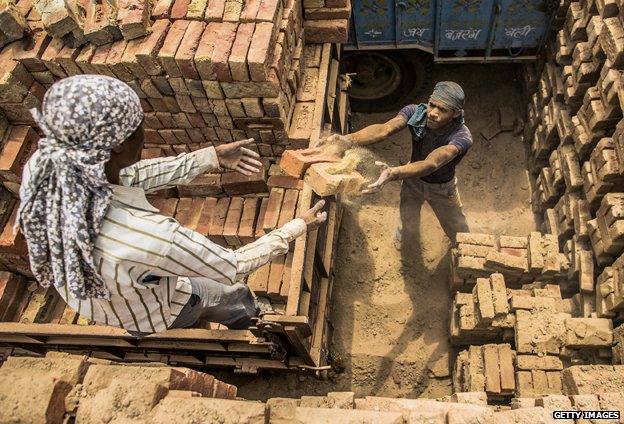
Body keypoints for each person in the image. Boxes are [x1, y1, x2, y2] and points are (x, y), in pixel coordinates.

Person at [17, 75, 326, 334]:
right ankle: (250, 319)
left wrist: (210, 157)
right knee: (229, 293)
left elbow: (129, 177)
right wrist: (296, 226)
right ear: (122, 144)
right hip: (157, 309)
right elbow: (231, 266)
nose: (144, 133)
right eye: (139, 125)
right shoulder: (150, 237)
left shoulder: (49, 169)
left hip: (99, 300)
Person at [345, 81, 472, 245]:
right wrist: (346, 139)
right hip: (412, 179)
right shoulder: (416, 113)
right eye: (432, 105)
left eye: (443, 110)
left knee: (458, 230)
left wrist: (393, 173)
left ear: (455, 113)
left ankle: (463, 249)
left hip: (442, 188)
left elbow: (431, 163)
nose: (433, 113)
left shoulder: (461, 136)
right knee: (408, 216)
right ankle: (407, 238)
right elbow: (385, 129)